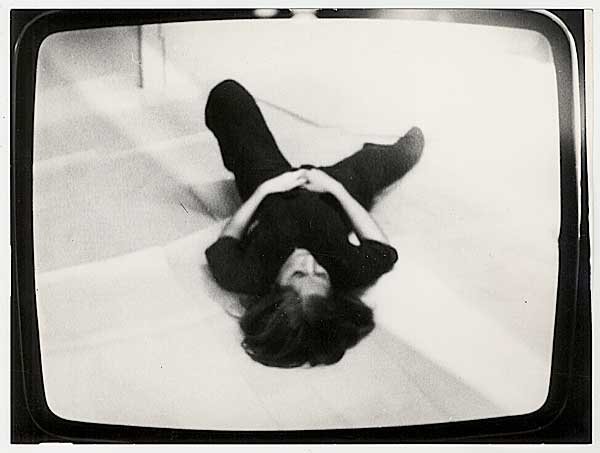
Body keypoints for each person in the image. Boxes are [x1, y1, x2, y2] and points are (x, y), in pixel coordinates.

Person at [204, 79, 424, 368]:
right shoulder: (347, 271)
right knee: (382, 161)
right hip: (329, 198)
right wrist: (335, 189)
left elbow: (228, 240)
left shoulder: (246, 275)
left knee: (228, 95)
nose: (310, 262)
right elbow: (381, 249)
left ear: (275, 287)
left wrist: (264, 191)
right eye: (320, 274)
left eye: (297, 274)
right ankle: (394, 154)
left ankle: (247, 164)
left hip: (272, 187)